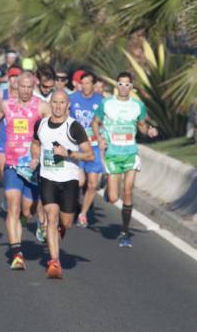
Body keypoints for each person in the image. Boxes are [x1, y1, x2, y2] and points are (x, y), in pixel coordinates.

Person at [30, 90, 94, 278]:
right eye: (54, 102)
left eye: (62, 103)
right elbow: (35, 143)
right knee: (51, 217)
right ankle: (54, 261)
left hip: (69, 179)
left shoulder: (74, 127)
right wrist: (35, 156)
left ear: (68, 105)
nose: (58, 106)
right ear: (50, 104)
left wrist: (69, 153)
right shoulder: (40, 124)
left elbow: (90, 155)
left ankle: (56, 236)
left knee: (66, 222)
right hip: (48, 176)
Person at [91, 72, 158, 248]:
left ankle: (125, 231)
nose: (124, 87)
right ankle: (107, 188)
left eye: (127, 85)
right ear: (116, 85)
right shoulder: (107, 103)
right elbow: (95, 122)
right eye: (121, 84)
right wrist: (99, 138)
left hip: (131, 153)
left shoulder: (137, 106)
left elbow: (142, 126)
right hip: (113, 154)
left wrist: (149, 131)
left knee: (128, 190)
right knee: (113, 198)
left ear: (131, 87)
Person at [1, 71, 51, 269]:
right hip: (12, 163)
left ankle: (29, 220)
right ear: (16, 85)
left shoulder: (41, 106)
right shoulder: (6, 105)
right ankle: (17, 254)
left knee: (28, 211)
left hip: (33, 165)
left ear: (34, 87)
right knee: (13, 205)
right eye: (22, 86)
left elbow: (55, 125)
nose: (25, 90)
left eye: (29, 87)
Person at [69, 71, 105, 227]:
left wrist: (103, 138)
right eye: (82, 83)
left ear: (94, 84)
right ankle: (73, 204)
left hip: (94, 146)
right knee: (79, 181)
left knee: (92, 184)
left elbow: (106, 122)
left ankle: (83, 214)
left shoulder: (101, 101)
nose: (85, 86)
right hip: (77, 146)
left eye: (88, 83)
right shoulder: (72, 99)